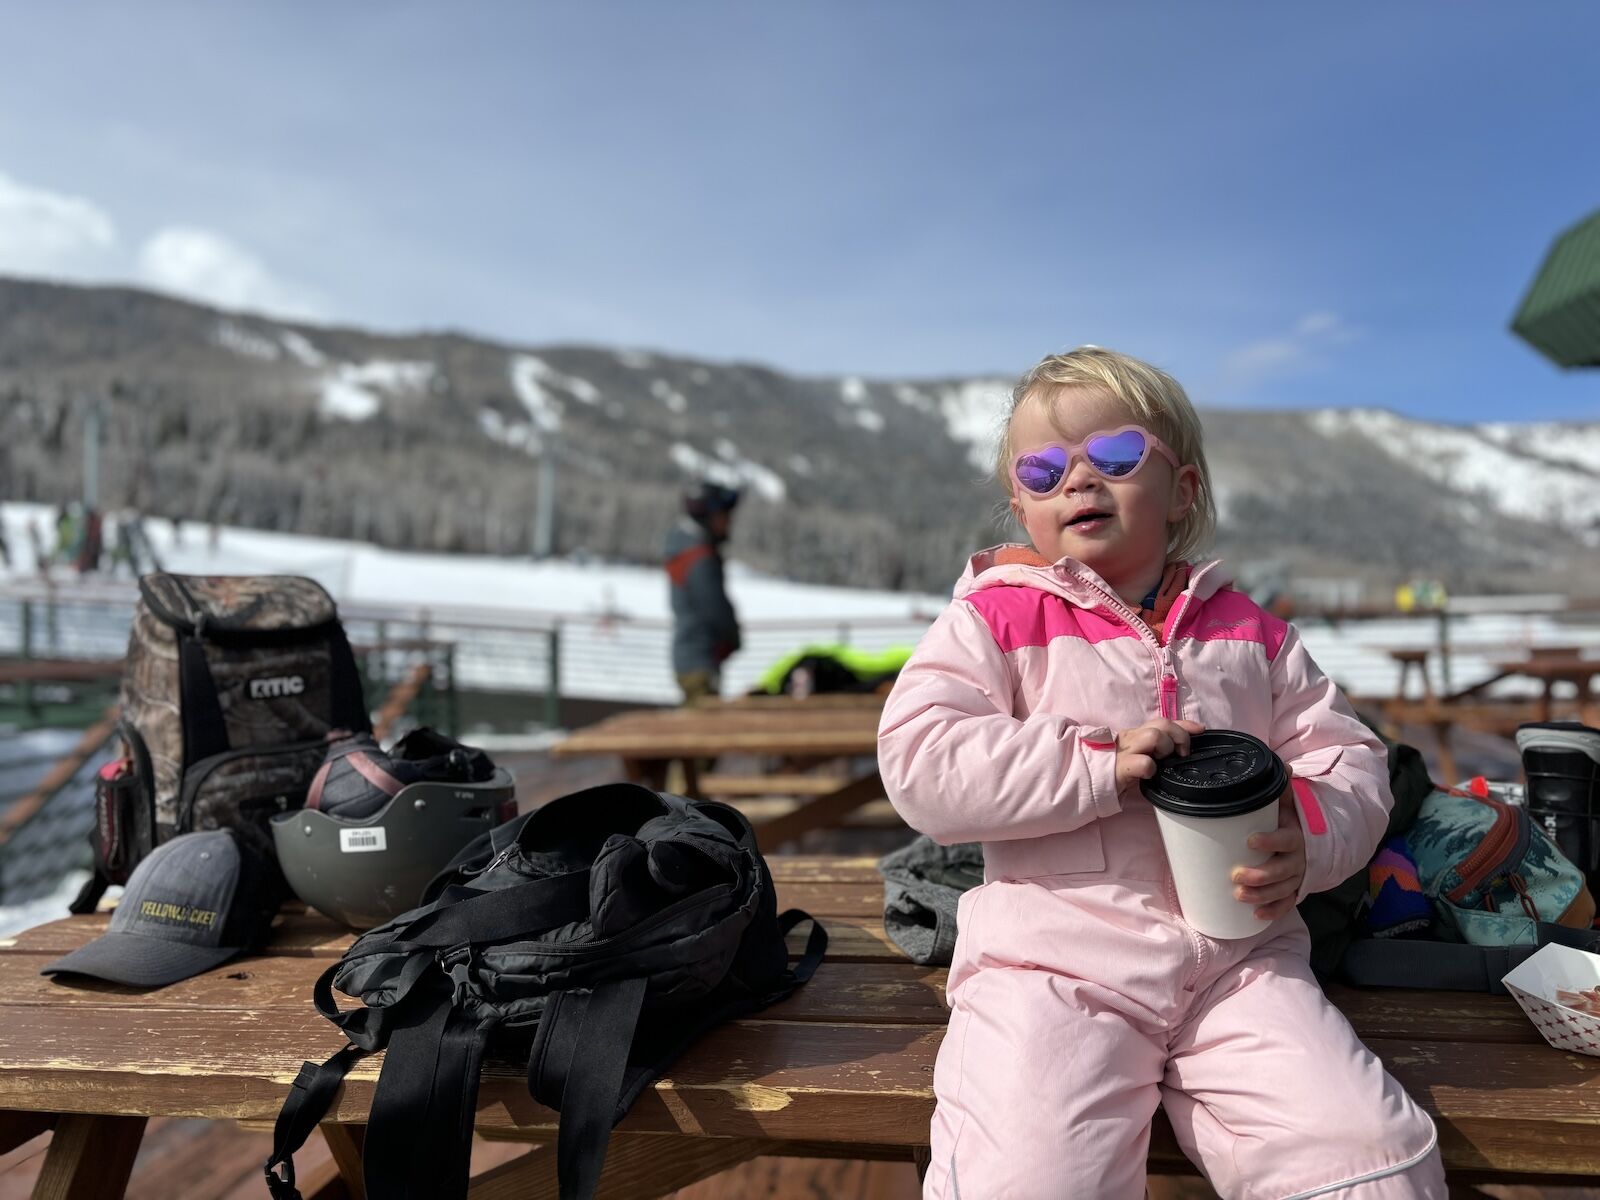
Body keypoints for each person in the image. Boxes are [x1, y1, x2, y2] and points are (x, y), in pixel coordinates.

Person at [878, 347, 1444, 1199]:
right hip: (1054, 969)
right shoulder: (993, 621)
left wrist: (1312, 832)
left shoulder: (1253, 636)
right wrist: (1092, 760)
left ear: (1181, 490)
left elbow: (1346, 755)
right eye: (1043, 469)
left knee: (1362, 1150)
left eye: (1113, 457)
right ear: (1019, 502)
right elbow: (921, 759)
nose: (1078, 482)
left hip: (1241, 966)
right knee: (1029, 1175)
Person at [664, 482, 742, 704]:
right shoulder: (699, 558)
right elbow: (714, 607)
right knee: (701, 729)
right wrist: (732, 637)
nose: (728, 523)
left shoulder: (685, 550)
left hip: (692, 656)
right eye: (725, 516)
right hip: (699, 658)